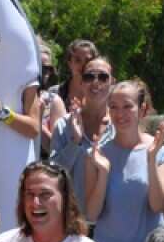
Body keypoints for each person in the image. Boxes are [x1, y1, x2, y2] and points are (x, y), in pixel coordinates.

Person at [85, 79, 164, 242]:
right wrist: (103, 173)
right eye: (114, 107)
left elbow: (158, 206)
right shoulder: (97, 155)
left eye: (127, 106)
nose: (119, 114)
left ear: (142, 110)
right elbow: (91, 214)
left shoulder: (162, 153)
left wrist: (151, 160)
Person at [49, 56, 115, 211]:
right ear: (81, 82)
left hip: (112, 223)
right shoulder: (63, 126)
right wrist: (75, 142)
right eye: (89, 77)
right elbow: (53, 175)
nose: (96, 82)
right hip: (73, 220)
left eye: (103, 77)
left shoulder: (120, 126)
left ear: (113, 81)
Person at [52, 39, 100, 109]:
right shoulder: (54, 93)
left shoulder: (103, 95)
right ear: (70, 63)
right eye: (78, 60)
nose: (83, 65)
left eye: (88, 60)